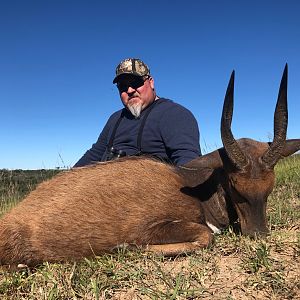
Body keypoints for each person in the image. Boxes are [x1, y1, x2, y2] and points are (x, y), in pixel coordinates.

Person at [74, 58, 201, 167]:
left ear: (151, 82)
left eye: (135, 83)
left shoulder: (174, 114)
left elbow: (188, 164)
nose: (129, 90)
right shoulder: (115, 118)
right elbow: (95, 153)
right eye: (122, 87)